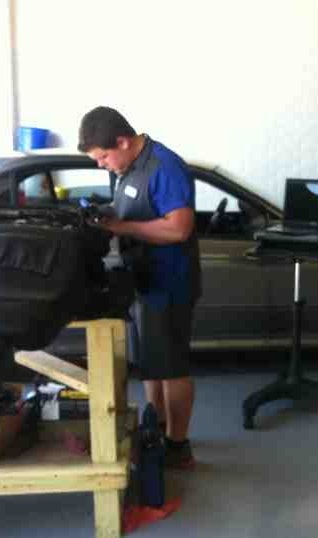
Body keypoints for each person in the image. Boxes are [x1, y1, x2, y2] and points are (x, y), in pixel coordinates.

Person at [78, 106, 201, 469]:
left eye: (103, 157)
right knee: (151, 364)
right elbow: (131, 209)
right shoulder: (127, 168)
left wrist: (123, 228)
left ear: (122, 142)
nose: (101, 164)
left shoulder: (165, 167)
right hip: (142, 280)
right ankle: (156, 429)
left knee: (172, 367)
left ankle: (179, 446)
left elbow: (178, 228)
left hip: (170, 283)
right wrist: (106, 214)